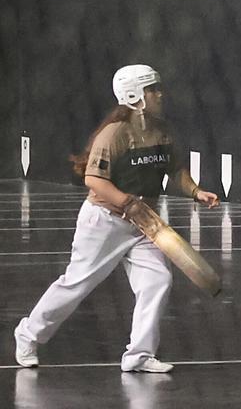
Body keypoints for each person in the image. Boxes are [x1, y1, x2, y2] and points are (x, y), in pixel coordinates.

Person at [13, 64, 220, 372]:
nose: (160, 94)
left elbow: (175, 169)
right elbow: (94, 180)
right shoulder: (114, 134)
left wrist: (195, 191)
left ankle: (139, 355)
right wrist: (127, 203)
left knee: (157, 281)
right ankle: (28, 334)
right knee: (76, 285)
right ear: (135, 95)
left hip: (143, 222)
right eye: (153, 89)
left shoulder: (161, 130)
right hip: (105, 221)